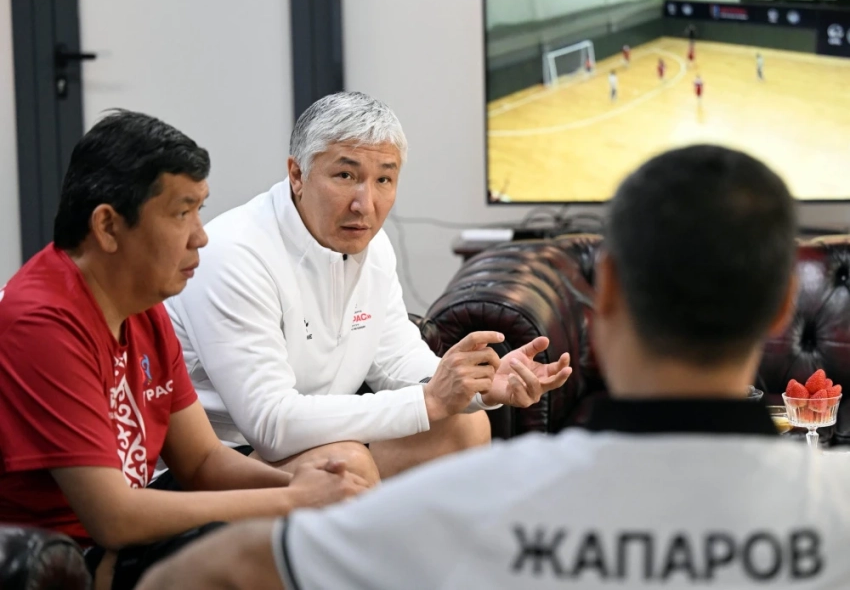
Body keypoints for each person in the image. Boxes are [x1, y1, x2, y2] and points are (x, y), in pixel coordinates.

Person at [140, 145, 850, 590]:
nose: (365, 199)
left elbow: (207, 573)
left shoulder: (470, 501)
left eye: (382, 177)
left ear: (603, 292)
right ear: (784, 303)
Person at [0, 110, 369, 590]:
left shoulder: (142, 304)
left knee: (337, 484)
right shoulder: (42, 322)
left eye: (200, 210)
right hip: (69, 555)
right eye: (181, 213)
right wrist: (292, 500)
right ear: (108, 227)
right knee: (267, 547)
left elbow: (201, 462)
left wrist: (311, 488)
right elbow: (113, 517)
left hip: (127, 529)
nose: (201, 235)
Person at [166, 91, 572, 484]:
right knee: (346, 467)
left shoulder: (372, 247)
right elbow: (270, 424)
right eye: (346, 176)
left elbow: (396, 361)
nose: (366, 203)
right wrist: (428, 401)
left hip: (317, 443)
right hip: (219, 461)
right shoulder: (235, 252)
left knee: (465, 426)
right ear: (297, 175)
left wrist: (480, 385)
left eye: (384, 179)